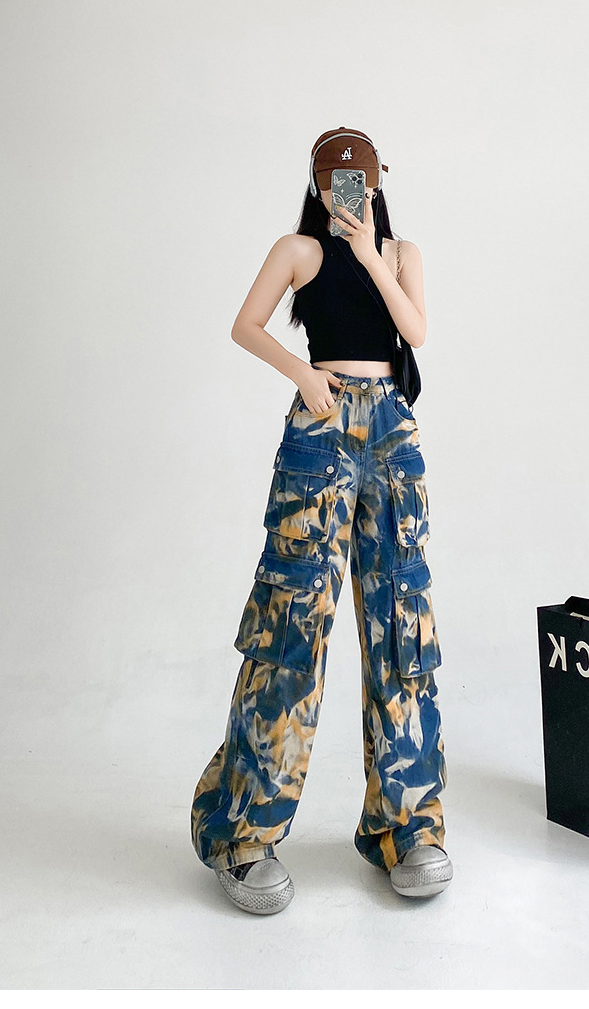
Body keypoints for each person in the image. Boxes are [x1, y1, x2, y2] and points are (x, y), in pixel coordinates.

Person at [190, 126, 452, 915]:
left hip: (393, 432)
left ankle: (408, 827)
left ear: (378, 182)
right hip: (322, 422)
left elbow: (416, 332)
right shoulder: (297, 250)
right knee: (291, 622)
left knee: (401, 624)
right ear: (315, 182)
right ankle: (242, 832)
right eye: (337, 178)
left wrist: (369, 252)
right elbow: (246, 323)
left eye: (361, 178)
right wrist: (303, 374)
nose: (350, 189)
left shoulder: (401, 251)